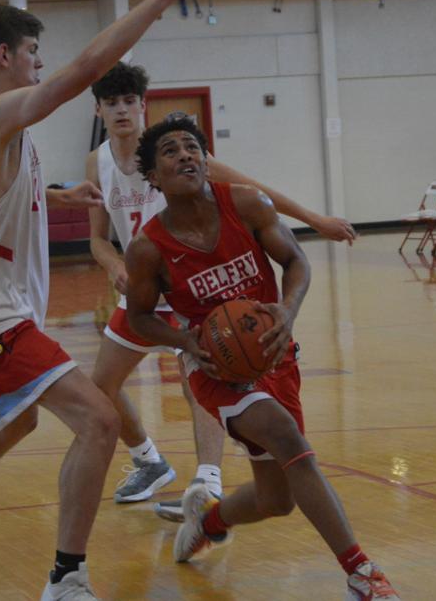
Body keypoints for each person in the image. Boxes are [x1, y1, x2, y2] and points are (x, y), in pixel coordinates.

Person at [0, 0, 227, 601]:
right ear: (4, 56)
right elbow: (83, 71)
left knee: (16, 421)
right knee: (99, 420)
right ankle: (65, 578)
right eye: (32, 52)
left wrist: (58, 198)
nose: (40, 64)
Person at [123, 117, 400, 600]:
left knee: (278, 499)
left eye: (192, 147)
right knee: (285, 435)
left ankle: (208, 522)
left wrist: (287, 311)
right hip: (214, 367)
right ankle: (362, 574)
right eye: (170, 151)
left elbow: (295, 261)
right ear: (153, 176)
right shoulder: (148, 248)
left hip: (273, 353)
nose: (185, 155)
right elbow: (139, 317)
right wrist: (186, 341)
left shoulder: (247, 204)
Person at [76, 63, 358, 513]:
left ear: (143, 104)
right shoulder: (98, 162)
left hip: (191, 286)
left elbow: (254, 190)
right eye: (112, 103)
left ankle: (207, 482)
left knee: (205, 374)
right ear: (98, 111)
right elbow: (96, 237)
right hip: (144, 288)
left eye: (129, 101)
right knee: (100, 385)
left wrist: (316, 220)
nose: (122, 110)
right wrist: (114, 265)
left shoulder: (175, 153)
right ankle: (148, 461)